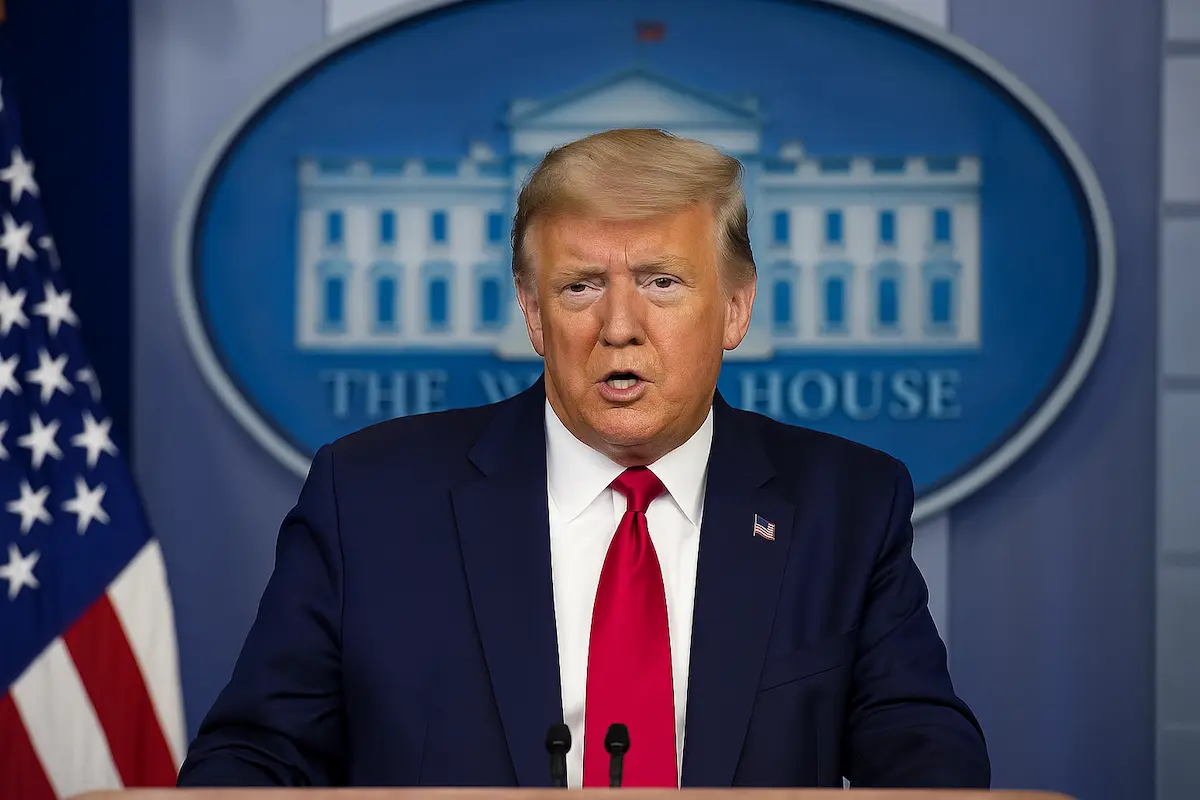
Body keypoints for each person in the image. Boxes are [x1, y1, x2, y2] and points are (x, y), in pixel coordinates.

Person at [177, 128, 990, 789]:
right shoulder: (372, 497)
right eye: (578, 288)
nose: (620, 326)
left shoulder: (844, 504)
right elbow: (255, 757)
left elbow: (921, 750)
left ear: (736, 308)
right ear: (533, 315)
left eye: (663, 282)